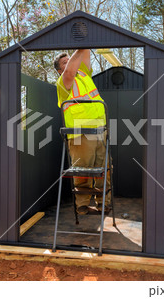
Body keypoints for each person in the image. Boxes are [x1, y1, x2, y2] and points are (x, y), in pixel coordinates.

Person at [54, 49, 111, 215]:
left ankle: (103, 203)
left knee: (104, 168)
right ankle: (83, 205)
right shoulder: (63, 82)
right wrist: (78, 49)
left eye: (70, 59)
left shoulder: (84, 74)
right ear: (59, 70)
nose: (71, 62)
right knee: (82, 170)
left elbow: (84, 55)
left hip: (100, 131)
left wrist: (84, 45)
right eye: (65, 61)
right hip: (80, 134)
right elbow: (70, 70)